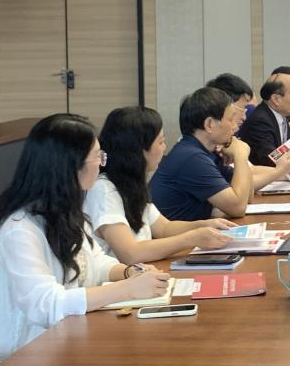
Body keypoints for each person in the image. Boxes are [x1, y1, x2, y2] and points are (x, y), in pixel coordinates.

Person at [0, 114, 181, 366]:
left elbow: (94, 262)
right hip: (31, 357)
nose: (102, 164)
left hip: (69, 342)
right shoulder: (17, 227)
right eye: (97, 157)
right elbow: (44, 304)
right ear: (70, 167)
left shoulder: (65, 210)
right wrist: (127, 290)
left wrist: (128, 273)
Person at [85, 106, 238, 264]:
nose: (164, 148)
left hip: (143, 273)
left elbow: (164, 228)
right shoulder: (104, 190)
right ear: (138, 150)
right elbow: (130, 254)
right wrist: (191, 238)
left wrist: (204, 225)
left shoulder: (130, 183)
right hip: (124, 276)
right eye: (161, 142)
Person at [150, 87, 290, 220]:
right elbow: (238, 207)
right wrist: (240, 154)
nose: (235, 127)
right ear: (209, 124)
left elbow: (248, 194)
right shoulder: (192, 157)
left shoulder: (208, 152)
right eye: (230, 119)